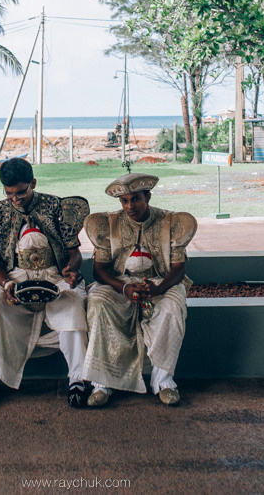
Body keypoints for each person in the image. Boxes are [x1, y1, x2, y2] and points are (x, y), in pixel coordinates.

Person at [0, 157, 91, 408]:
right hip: (14, 278)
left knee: (74, 304)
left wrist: (71, 270)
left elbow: (74, 253)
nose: (16, 199)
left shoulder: (56, 207)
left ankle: (77, 381)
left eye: (21, 192)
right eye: (10, 194)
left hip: (55, 276)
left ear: (33, 183)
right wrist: (5, 285)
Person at [81, 173, 197, 407]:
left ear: (148, 196)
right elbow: (99, 270)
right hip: (119, 283)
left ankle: (164, 381)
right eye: (124, 201)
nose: (130, 206)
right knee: (98, 301)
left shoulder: (170, 222)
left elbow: (178, 269)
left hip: (160, 281)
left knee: (173, 305)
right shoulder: (108, 224)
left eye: (135, 199)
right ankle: (102, 383)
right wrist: (124, 288)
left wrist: (158, 289)